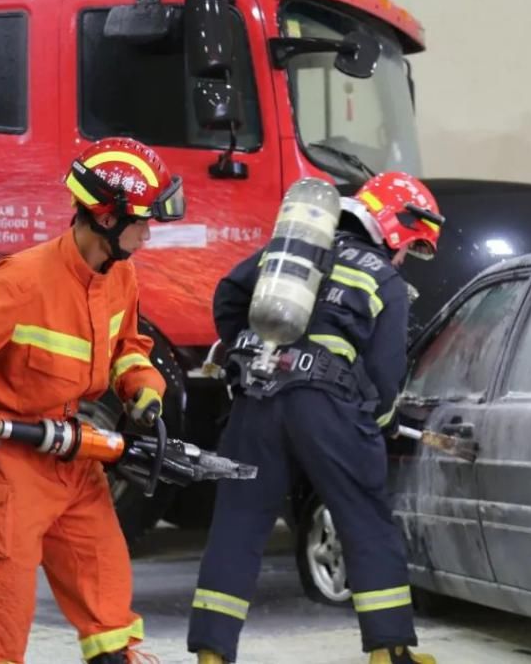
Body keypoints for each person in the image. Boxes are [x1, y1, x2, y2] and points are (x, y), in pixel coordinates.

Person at [0, 137, 186, 664]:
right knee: (0, 611)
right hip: (5, 461)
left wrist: (141, 388)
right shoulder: (23, 281)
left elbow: (128, 346)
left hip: (73, 456)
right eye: (142, 220)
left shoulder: (120, 276)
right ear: (106, 219)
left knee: (105, 584)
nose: (149, 232)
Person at [187, 172, 444, 664]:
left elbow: (227, 295)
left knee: (238, 522)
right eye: (408, 246)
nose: (403, 258)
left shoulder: (287, 254)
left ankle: (212, 654)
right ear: (393, 227)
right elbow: (387, 370)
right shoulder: (382, 276)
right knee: (364, 519)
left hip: (257, 396)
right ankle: (390, 652)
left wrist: (249, 346)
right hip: (329, 406)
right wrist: (381, 418)